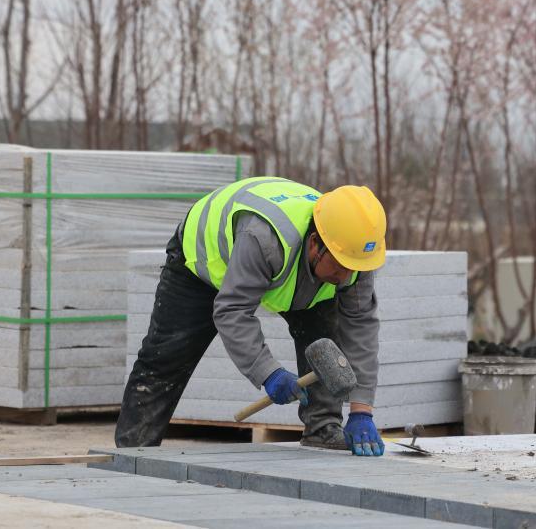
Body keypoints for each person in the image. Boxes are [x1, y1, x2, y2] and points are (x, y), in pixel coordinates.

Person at [116, 176, 388, 456]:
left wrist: (362, 409)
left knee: (328, 333)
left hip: (289, 266)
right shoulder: (264, 238)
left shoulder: (354, 253)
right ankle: (134, 450)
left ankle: (323, 428)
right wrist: (269, 372)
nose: (345, 276)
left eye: (353, 268)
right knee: (165, 358)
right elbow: (232, 310)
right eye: (341, 266)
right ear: (316, 243)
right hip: (204, 265)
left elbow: (361, 327)